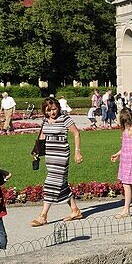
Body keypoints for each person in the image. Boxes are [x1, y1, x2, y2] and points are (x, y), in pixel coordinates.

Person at [30, 97, 84, 226]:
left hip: (61, 155)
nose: (52, 113)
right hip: (50, 155)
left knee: (50, 183)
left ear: (59, 108)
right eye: (48, 110)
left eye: (54, 109)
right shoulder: (45, 120)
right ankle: (75, 210)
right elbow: (42, 136)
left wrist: (77, 151)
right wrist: (37, 151)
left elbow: (76, 134)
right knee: (61, 183)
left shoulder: (65, 119)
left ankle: (43, 215)